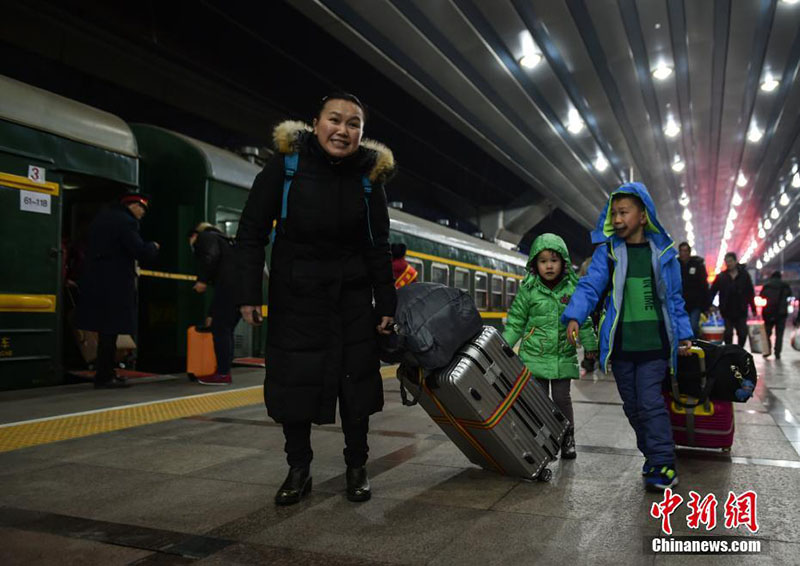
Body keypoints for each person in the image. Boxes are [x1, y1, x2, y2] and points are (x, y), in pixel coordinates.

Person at [236, 92, 396, 506]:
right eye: (335, 119)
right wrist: (248, 292)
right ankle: (298, 468)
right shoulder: (285, 167)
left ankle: (356, 467)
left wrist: (386, 304)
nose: (343, 130)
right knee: (295, 385)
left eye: (354, 123)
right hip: (296, 297)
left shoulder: (368, 178)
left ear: (362, 132)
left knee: (356, 386)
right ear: (316, 122)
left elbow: (379, 245)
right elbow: (251, 232)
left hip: (353, 298)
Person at [562, 183, 693, 491]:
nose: (617, 219)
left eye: (624, 212)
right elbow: (590, 286)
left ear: (643, 215)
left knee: (649, 403)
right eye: (614, 213)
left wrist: (685, 334)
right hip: (621, 347)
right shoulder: (608, 253)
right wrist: (574, 315)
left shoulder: (662, 254)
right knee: (633, 407)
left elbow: (674, 299)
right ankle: (653, 455)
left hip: (655, 345)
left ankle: (663, 463)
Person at [502, 233, 597, 459]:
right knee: (540, 401)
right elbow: (516, 321)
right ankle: (543, 440)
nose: (549, 266)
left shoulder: (572, 290)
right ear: (535, 264)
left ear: (563, 262)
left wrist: (591, 343)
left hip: (563, 354)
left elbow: (583, 319)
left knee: (562, 398)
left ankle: (567, 437)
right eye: (543, 261)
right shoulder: (528, 290)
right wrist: (503, 345)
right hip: (534, 356)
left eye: (554, 260)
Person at [76, 193, 159, 388]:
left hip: (96, 280)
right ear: (133, 205)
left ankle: (105, 372)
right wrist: (153, 247)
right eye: (142, 210)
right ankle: (105, 376)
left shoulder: (101, 219)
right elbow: (138, 250)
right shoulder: (126, 222)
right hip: (114, 283)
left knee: (105, 328)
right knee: (110, 330)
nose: (142, 214)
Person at [188, 222, 241, 384]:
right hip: (239, 289)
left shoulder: (206, 237)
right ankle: (224, 371)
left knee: (221, 330)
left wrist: (202, 280)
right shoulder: (226, 241)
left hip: (228, 289)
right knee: (226, 329)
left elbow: (210, 257)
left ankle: (222, 373)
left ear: (194, 235)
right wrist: (212, 313)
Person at [708, 252, 756, 347]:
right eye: (727, 262)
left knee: (742, 333)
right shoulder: (721, 276)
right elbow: (713, 291)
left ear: (735, 261)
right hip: (726, 310)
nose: (728, 264)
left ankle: (739, 350)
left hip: (741, 310)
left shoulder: (744, 276)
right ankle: (729, 352)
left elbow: (750, 292)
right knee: (728, 334)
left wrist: (753, 308)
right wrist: (709, 305)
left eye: (730, 261)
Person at [677, 242, 709, 338]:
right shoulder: (675, 265)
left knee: (693, 326)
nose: (683, 253)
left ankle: (694, 346)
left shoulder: (697, 265)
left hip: (695, 304)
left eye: (685, 251)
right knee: (681, 327)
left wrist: (706, 305)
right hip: (680, 303)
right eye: (681, 251)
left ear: (689, 252)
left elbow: (704, 285)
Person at [760, 270, 792, 359]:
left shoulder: (767, 285)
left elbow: (762, 295)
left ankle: (767, 351)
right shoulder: (785, 285)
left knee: (767, 333)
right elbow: (790, 295)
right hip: (781, 313)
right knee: (779, 334)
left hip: (768, 312)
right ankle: (777, 353)